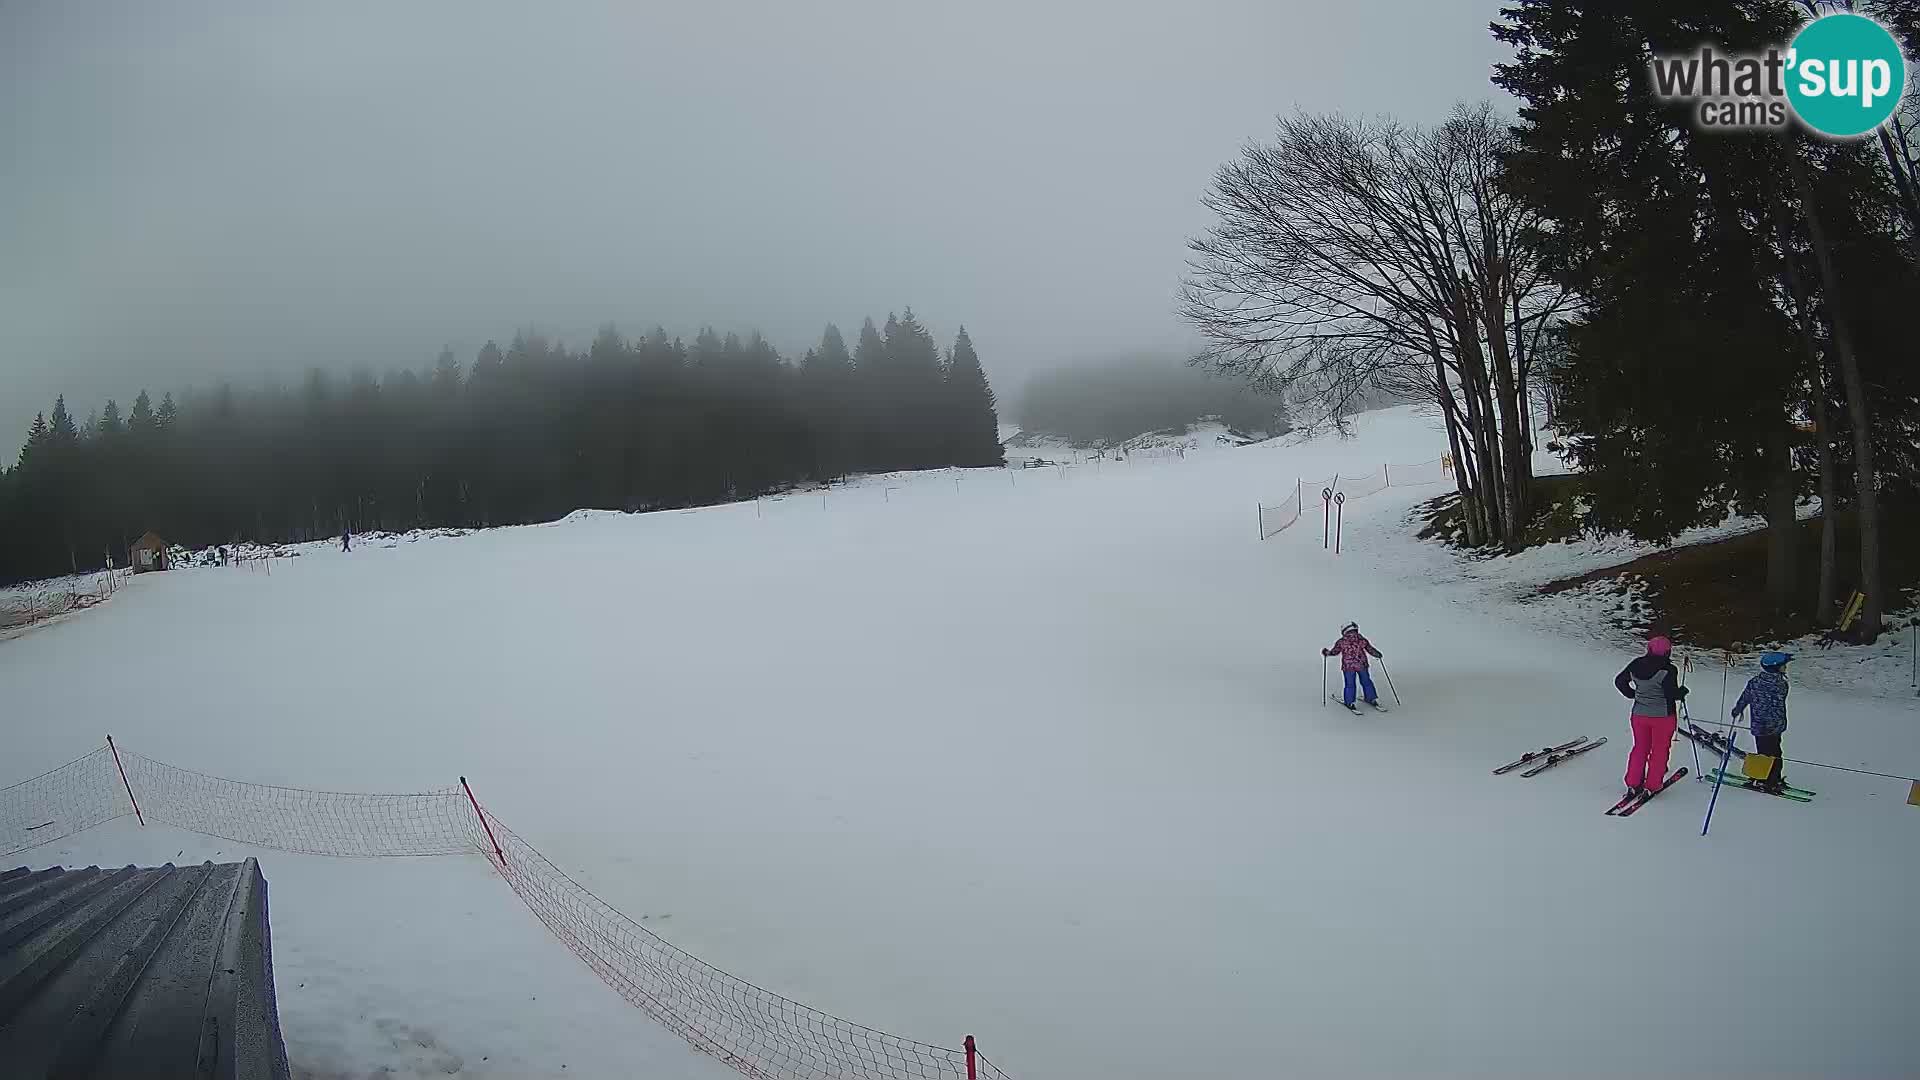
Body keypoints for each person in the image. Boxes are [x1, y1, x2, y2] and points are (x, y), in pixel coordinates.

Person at [1614, 635, 1688, 795]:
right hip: (1663, 716)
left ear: (1649, 649)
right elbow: (1670, 694)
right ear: (1668, 652)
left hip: (1639, 714)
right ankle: (1653, 784)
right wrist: (1681, 692)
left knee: (1640, 748)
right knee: (1659, 750)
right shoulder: (1669, 670)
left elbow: (1620, 681)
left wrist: (1633, 694)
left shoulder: (1636, 664)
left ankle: (1633, 782)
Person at [1731, 651, 1792, 791]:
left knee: (1763, 752)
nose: (1785, 668)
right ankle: (1771, 780)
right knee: (1775, 753)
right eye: (1783, 666)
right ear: (1776, 668)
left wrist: (1738, 709)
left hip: (1759, 725)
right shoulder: (1781, 684)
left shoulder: (1754, 682)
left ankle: (1761, 776)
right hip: (1774, 726)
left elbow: (1745, 697)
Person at [1323, 622, 1383, 709]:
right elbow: (1370, 649)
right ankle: (1371, 698)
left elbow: (1335, 652)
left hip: (1348, 667)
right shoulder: (1362, 640)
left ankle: (1350, 702)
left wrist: (1327, 653)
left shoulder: (1342, 642)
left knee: (1350, 684)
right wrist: (1377, 654)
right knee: (1366, 682)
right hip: (1362, 665)